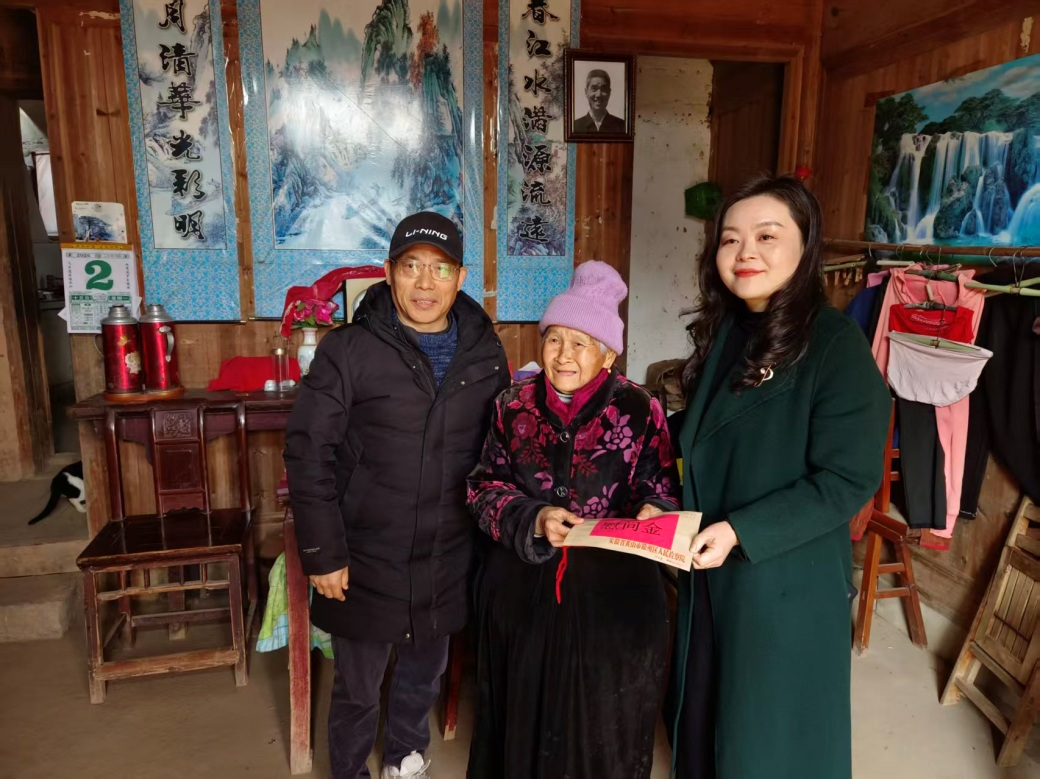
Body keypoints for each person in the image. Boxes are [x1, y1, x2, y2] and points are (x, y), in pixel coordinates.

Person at [667, 175, 891, 778]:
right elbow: (709, 438)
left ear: (805, 245)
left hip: (782, 581)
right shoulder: (729, 330)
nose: (745, 253)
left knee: (767, 740)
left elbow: (848, 477)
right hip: (709, 567)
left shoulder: (834, 344)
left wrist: (741, 530)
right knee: (706, 720)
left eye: (767, 236)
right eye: (730, 239)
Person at [284, 211, 510, 779]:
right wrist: (323, 552)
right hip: (365, 553)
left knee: (423, 675)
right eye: (412, 267)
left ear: (460, 278)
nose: (425, 283)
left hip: (448, 552)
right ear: (388, 274)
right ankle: (350, 771)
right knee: (358, 687)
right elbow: (308, 450)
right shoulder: (349, 349)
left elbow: (504, 448)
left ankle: (405, 759)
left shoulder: (485, 353)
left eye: (441, 269)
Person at [466, 260, 680, 778]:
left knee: (603, 721)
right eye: (554, 339)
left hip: (614, 590)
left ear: (607, 354)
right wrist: (534, 517)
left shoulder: (639, 408)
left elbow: (661, 487)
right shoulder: (512, 405)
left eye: (580, 343)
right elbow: (482, 488)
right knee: (523, 714)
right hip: (524, 583)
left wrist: (654, 510)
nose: (563, 355)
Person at [572, 69, 626, 133]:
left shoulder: (622, 127)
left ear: (609, 92)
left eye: (603, 89)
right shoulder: (575, 127)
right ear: (586, 92)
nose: (598, 95)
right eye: (594, 88)